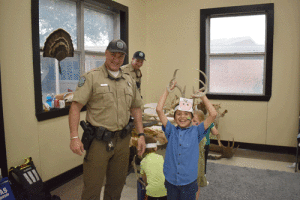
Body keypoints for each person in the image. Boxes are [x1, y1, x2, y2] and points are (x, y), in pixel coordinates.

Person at [69, 39, 146, 200]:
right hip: (99, 142)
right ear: (106, 53)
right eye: (112, 55)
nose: (116, 60)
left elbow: (136, 108)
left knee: (116, 186)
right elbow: (75, 107)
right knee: (92, 188)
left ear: (124, 57)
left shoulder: (129, 79)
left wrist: (141, 135)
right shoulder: (91, 77)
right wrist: (74, 137)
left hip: (123, 141)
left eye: (120, 56)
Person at [156, 80, 217, 200]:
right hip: (171, 180)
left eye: (186, 114)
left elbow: (213, 114)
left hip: (188, 181)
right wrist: (167, 91)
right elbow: (159, 109)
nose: (182, 117)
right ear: (174, 117)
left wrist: (203, 97)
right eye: (178, 114)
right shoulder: (171, 130)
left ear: (192, 117)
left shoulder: (197, 131)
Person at [192, 110, 219, 200]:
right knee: (203, 161)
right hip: (204, 145)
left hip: (203, 145)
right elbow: (215, 132)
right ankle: (203, 175)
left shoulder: (206, 124)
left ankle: (202, 176)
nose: (193, 122)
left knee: (202, 161)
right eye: (191, 120)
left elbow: (215, 132)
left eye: (195, 121)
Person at [140, 135, 167, 200]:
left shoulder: (143, 161)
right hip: (164, 192)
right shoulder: (161, 158)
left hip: (151, 193)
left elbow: (144, 179)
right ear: (155, 148)